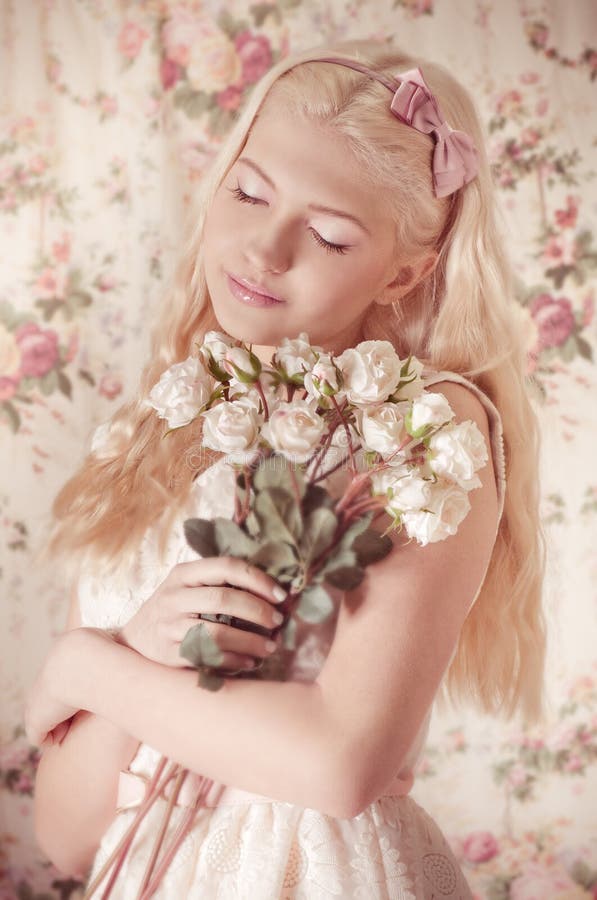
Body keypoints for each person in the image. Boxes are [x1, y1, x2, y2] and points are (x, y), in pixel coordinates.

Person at [25, 38, 547, 899]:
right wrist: (136, 652)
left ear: (405, 269)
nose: (264, 249)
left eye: (330, 235)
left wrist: (83, 669)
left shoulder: (422, 428)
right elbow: (70, 844)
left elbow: (338, 766)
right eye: (248, 190)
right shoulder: (158, 425)